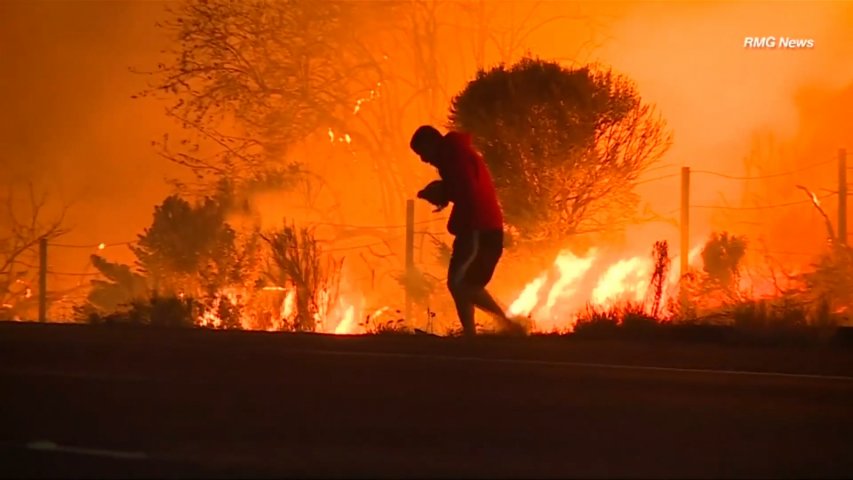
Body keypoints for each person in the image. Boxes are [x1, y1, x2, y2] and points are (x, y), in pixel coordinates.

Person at [409, 125, 525, 337]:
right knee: (465, 284)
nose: (423, 159)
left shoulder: (454, 157)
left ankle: (506, 327)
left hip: (477, 227)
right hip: (480, 225)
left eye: (422, 152)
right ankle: (477, 334)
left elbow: (468, 191)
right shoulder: (454, 155)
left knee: (460, 283)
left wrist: (443, 193)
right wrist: (444, 193)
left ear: (432, 144)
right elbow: (464, 189)